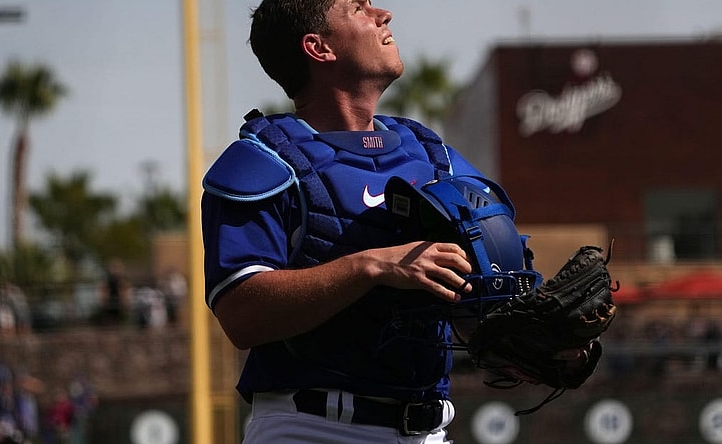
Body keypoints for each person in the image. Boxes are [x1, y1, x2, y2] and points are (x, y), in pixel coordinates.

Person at [201, 1, 588, 442]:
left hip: (429, 428)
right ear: (318, 47)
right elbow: (241, 314)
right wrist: (373, 265)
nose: (382, 13)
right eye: (357, 8)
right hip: (311, 428)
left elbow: (477, 311)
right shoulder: (262, 162)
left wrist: (541, 342)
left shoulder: (432, 156)